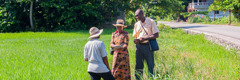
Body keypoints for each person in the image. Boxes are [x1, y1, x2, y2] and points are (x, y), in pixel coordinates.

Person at [133, 9, 159, 79]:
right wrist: (136, 40)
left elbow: (156, 35)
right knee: (138, 65)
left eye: (138, 15)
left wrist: (145, 38)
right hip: (139, 47)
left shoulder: (151, 22)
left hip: (148, 46)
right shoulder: (136, 24)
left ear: (142, 13)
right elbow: (135, 36)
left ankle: (151, 78)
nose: (137, 17)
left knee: (150, 65)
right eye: (136, 16)